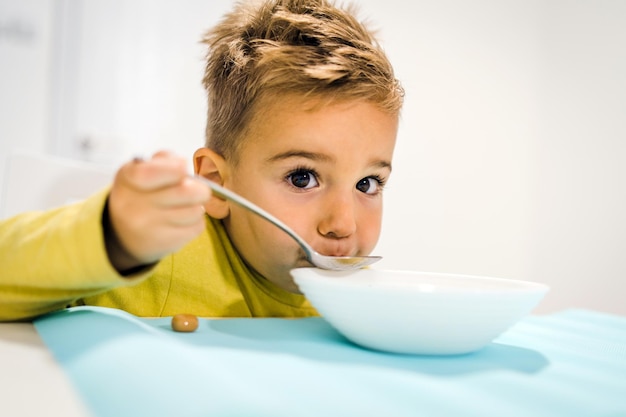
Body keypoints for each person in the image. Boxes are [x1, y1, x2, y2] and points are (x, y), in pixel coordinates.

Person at [0, 0, 403, 321]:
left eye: (367, 184)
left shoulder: (360, 303)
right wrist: (115, 240)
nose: (343, 225)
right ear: (217, 183)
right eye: (302, 177)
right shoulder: (165, 262)